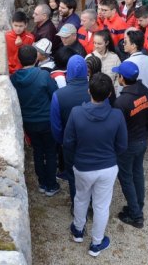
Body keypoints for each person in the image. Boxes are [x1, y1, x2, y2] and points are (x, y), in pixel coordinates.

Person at [65, 73, 127, 258]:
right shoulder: (116, 115)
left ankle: (78, 230)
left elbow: (68, 142)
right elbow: (122, 145)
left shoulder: (76, 113)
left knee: (81, 198)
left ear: (88, 91)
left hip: (83, 166)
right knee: (101, 205)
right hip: (107, 167)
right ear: (109, 94)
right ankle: (96, 243)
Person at [10, 45, 60, 196]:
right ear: (36, 58)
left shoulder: (14, 79)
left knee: (38, 151)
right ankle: (51, 185)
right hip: (46, 121)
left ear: (19, 60)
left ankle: (42, 183)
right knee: (50, 152)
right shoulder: (43, 76)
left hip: (29, 122)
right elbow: (55, 95)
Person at [111, 61, 148, 229]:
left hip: (128, 145)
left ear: (122, 78)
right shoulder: (144, 91)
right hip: (142, 140)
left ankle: (136, 215)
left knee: (126, 178)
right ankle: (138, 204)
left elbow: (117, 128)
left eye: (118, 75)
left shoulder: (121, 102)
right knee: (137, 174)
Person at [50, 55, 91, 206]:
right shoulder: (96, 90)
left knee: (74, 178)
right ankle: (91, 204)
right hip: (93, 141)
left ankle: (77, 206)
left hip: (70, 143)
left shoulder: (59, 95)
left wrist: (62, 142)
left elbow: (56, 126)